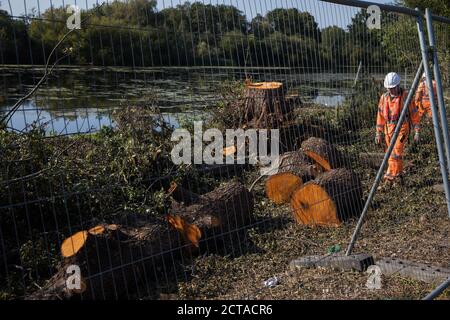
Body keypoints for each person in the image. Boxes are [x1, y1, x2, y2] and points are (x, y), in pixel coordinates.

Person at [375, 72, 421, 182]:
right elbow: (380, 116)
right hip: (388, 128)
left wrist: (417, 131)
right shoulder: (384, 98)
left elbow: (414, 114)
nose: (391, 90)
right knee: (389, 152)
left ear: (398, 85)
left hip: (402, 128)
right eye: (389, 88)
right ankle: (398, 173)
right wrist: (378, 132)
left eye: (393, 88)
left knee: (397, 150)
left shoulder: (406, 96)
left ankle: (393, 175)